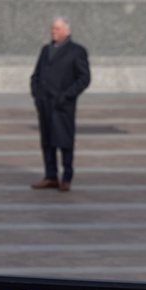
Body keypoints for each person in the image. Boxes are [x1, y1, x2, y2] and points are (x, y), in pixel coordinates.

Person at [29, 16, 90, 192]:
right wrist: (37, 93)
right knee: (47, 142)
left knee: (64, 141)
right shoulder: (46, 50)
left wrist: (67, 96)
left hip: (63, 105)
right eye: (52, 29)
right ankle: (50, 176)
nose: (53, 32)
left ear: (67, 31)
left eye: (57, 29)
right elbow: (36, 75)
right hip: (45, 104)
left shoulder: (77, 51)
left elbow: (84, 78)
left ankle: (67, 177)